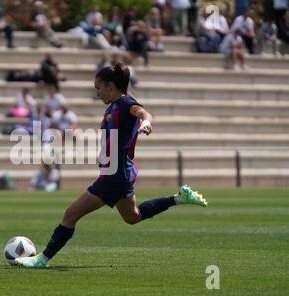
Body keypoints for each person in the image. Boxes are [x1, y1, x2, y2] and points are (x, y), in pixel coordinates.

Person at [14, 63, 208, 268]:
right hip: (121, 172)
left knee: (71, 214)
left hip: (114, 175)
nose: (97, 92)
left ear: (110, 85)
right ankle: (179, 198)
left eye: (98, 87)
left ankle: (41, 260)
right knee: (133, 217)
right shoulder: (113, 107)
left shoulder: (125, 103)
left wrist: (146, 122)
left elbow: (143, 113)